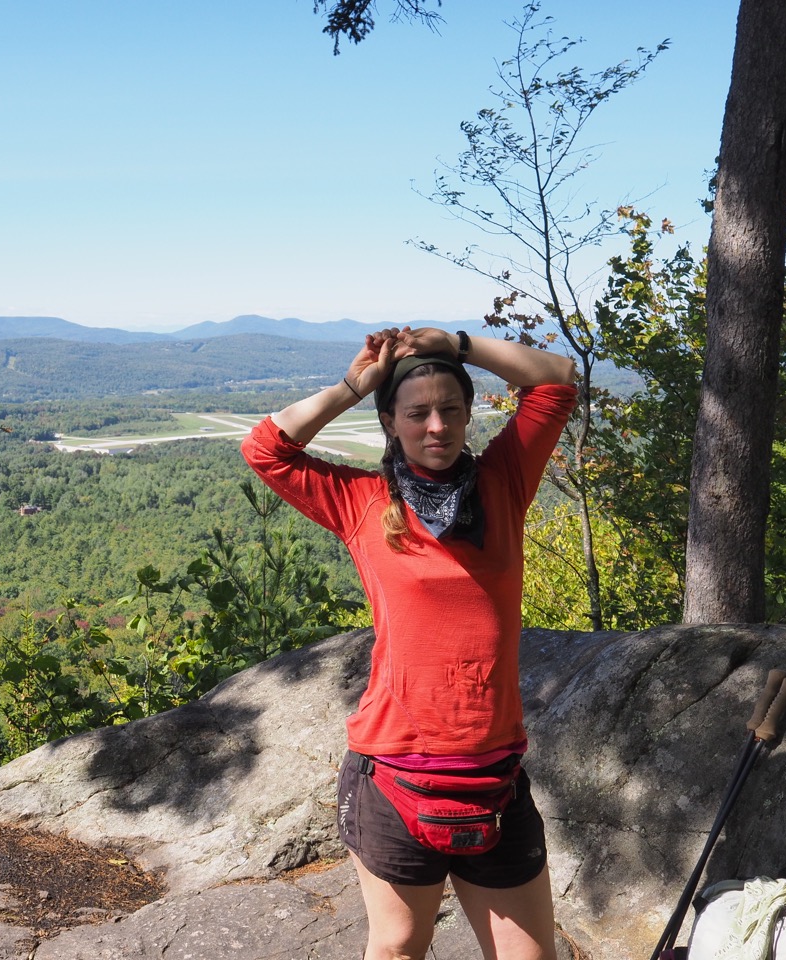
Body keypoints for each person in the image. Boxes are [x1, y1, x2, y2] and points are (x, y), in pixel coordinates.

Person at [241, 326, 577, 960]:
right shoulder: (362, 501)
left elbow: (555, 378)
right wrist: (352, 386)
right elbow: (266, 449)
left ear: (469, 414)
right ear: (390, 422)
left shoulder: (503, 482)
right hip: (394, 772)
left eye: (451, 409)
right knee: (398, 946)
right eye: (417, 412)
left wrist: (459, 345)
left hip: (493, 775)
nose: (437, 426)